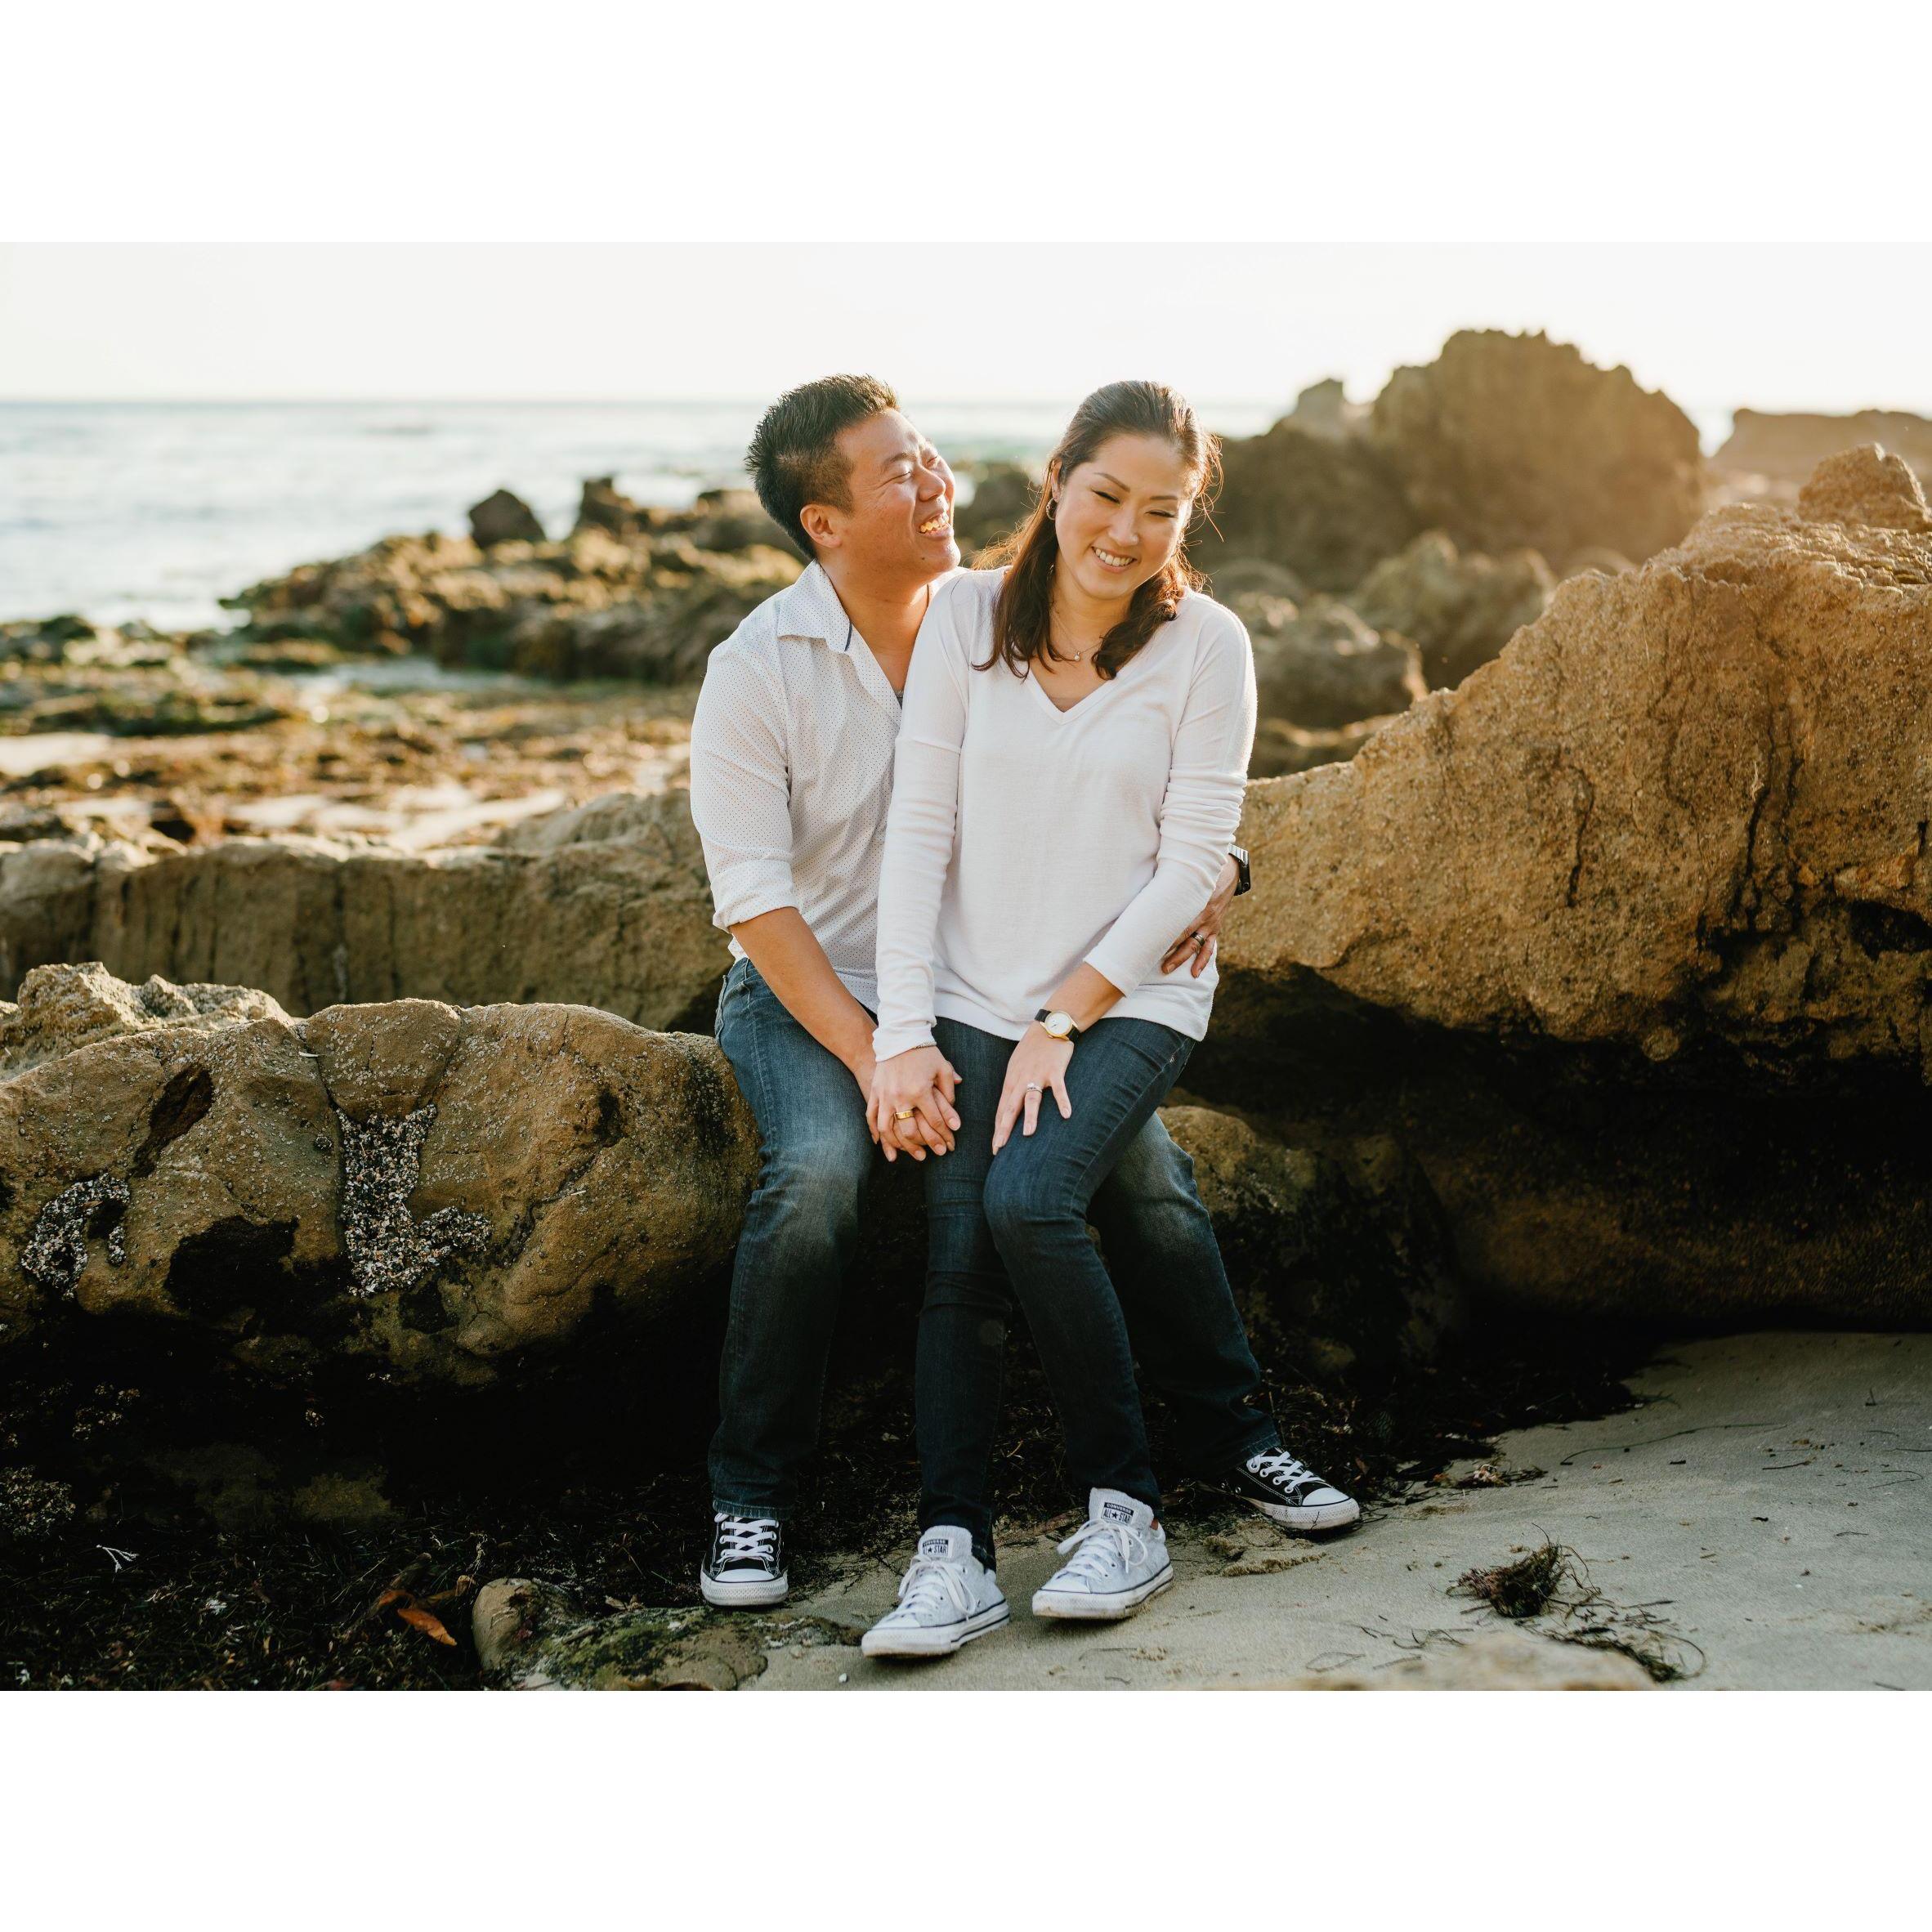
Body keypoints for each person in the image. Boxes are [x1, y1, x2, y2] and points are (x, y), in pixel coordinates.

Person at [688, 374, 1350, 1617]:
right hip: (828, 989)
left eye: (929, 453)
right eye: (898, 472)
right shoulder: (764, 667)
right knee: (825, 1181)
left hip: (1003, 991)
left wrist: (1214, 871)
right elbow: (759, 906)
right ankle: (755, 1496)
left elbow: (1140, 800)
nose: (935, 480)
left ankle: (1223, 1437)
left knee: (1136, 1179)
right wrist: (887, 1047)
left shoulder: (988, 612)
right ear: (823, 521)